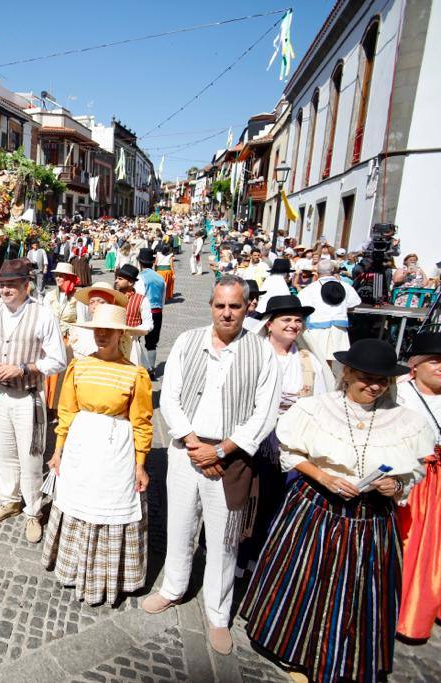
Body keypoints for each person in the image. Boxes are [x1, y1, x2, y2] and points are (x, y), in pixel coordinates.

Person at [240, 339, 429, 683]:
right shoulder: (317, 409)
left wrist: (395, 487)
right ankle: (294, 650)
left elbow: (412, 473)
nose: (374, 386)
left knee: (357, 591)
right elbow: (292, 454)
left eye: (381, 380)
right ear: (348, 374)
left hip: (370, 520)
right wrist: (323, 476)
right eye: (367, 377)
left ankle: (344, 659)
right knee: (304, 579)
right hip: (316, 509)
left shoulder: (403, 421)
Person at [143, 274, 280, 656]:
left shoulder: (261, 351)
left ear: (248, 307)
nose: (226, 313)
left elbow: (264, 414)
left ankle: (219, 615)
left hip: (231, 458)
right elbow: (169, 398)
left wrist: (220, 451)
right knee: (181, 523)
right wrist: (192, 442)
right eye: (220, 305)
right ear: (211, 306)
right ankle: (173, 587)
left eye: (235, 306)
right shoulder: (188, 342)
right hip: (187, 451)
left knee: (223, 538)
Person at [44, 304, 154, 605]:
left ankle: (108, 577)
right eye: (98, 330)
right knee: (79, 501)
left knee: (109, 504)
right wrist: (58, 451)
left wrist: (140, 463)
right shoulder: (79, 367)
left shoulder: (135, 374)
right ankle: (72, 567)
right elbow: (66, 411)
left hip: (115, 448)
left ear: (121, 334)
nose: (102, 335)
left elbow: (142, 421)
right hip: (81, 443)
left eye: (109, 330)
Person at [237, 295, 332, 573]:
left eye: (298, 320)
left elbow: (321, 400)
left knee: (277, 500)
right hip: (253, 438)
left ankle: (263, 556)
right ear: (270, 324)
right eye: (287, 320)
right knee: (246, 497)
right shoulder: (252, 353)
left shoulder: (307, 361)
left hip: (291, 442)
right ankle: (236, 557)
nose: (293, 325)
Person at [0, 259, 67, 543]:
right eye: (2, 284)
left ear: (26, 286)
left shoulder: (42, 315)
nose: (5, 290)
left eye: (12, 284)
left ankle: (33, 511)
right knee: (4, 452)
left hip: (28, 396)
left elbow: (58, 360)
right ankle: (10, 500)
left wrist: (24, 368)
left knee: (30, 456)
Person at [395, 332, 441, 640]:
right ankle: (402, 610)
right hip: (414, 478)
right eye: (434, 361)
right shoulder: (400, 394)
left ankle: (434, 603)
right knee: (410, 544)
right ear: (416, 366)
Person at [297, 259, 361, 363]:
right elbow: (354, 304)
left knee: (317, 362)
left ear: (317, 272)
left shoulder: (310, 288)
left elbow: (300, 305)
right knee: (338, 363)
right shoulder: (345, 286)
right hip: (339, 329)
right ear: (333, 271)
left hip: (317, 329)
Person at [43, 262, 81, 410]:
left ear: (69, 277)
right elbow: (45, 318)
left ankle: (62, 405)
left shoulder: (77, 297)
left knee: (64, 374)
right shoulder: (49, 296)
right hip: (51, 338)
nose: (58, 278)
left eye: (61, 275)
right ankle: (48, 404)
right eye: (56, 275)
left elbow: (81, 321)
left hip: (69, 340)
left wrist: (74, 339)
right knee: (50, 373)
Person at [112, 265, 154, 367]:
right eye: (116, 278)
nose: (116, 281)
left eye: (120, 279)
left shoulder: (142, 300)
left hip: (131, 346)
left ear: (130, 283)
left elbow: (148, 324)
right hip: (110, 345)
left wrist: (130, 331)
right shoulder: (111, 297)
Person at [135, 248, 165, 379]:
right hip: (157, 311)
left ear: (140, 263)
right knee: (152, 342)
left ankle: (146, 367)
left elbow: (139, 297)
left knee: (136, 339)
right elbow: (163, 299)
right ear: (153, 262)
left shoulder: (139, 278)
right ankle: (152, 367)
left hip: (144, 312)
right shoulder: (160, 278)